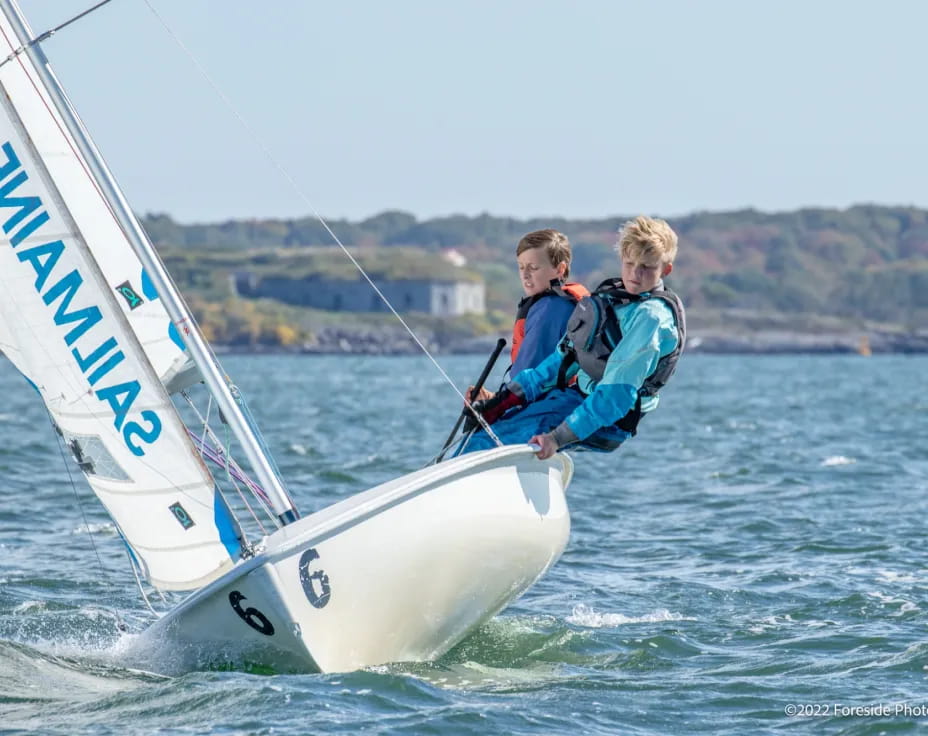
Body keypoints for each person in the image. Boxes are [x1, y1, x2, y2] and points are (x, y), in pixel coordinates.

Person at [463, 215, 685, 459]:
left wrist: (557, 438)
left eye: (647, 267)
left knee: (484, 443)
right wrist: (503, 401)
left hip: (610, 418)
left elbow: (615, 395)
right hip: (575, 399)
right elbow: (560, 359)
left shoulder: (650, 318)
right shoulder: (614, 299)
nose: (635, 274)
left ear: (666, 268)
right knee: (488, 427)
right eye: (629, 263)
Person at [470, 229, 588, 402]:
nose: (525, 275)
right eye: (521, 267)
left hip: (548, 411)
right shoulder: (566, 304)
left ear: (559, 269)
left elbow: (527, 379)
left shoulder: (550, 310)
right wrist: (493, 398)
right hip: (565, 404)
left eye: (533, 268)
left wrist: (496, 404)